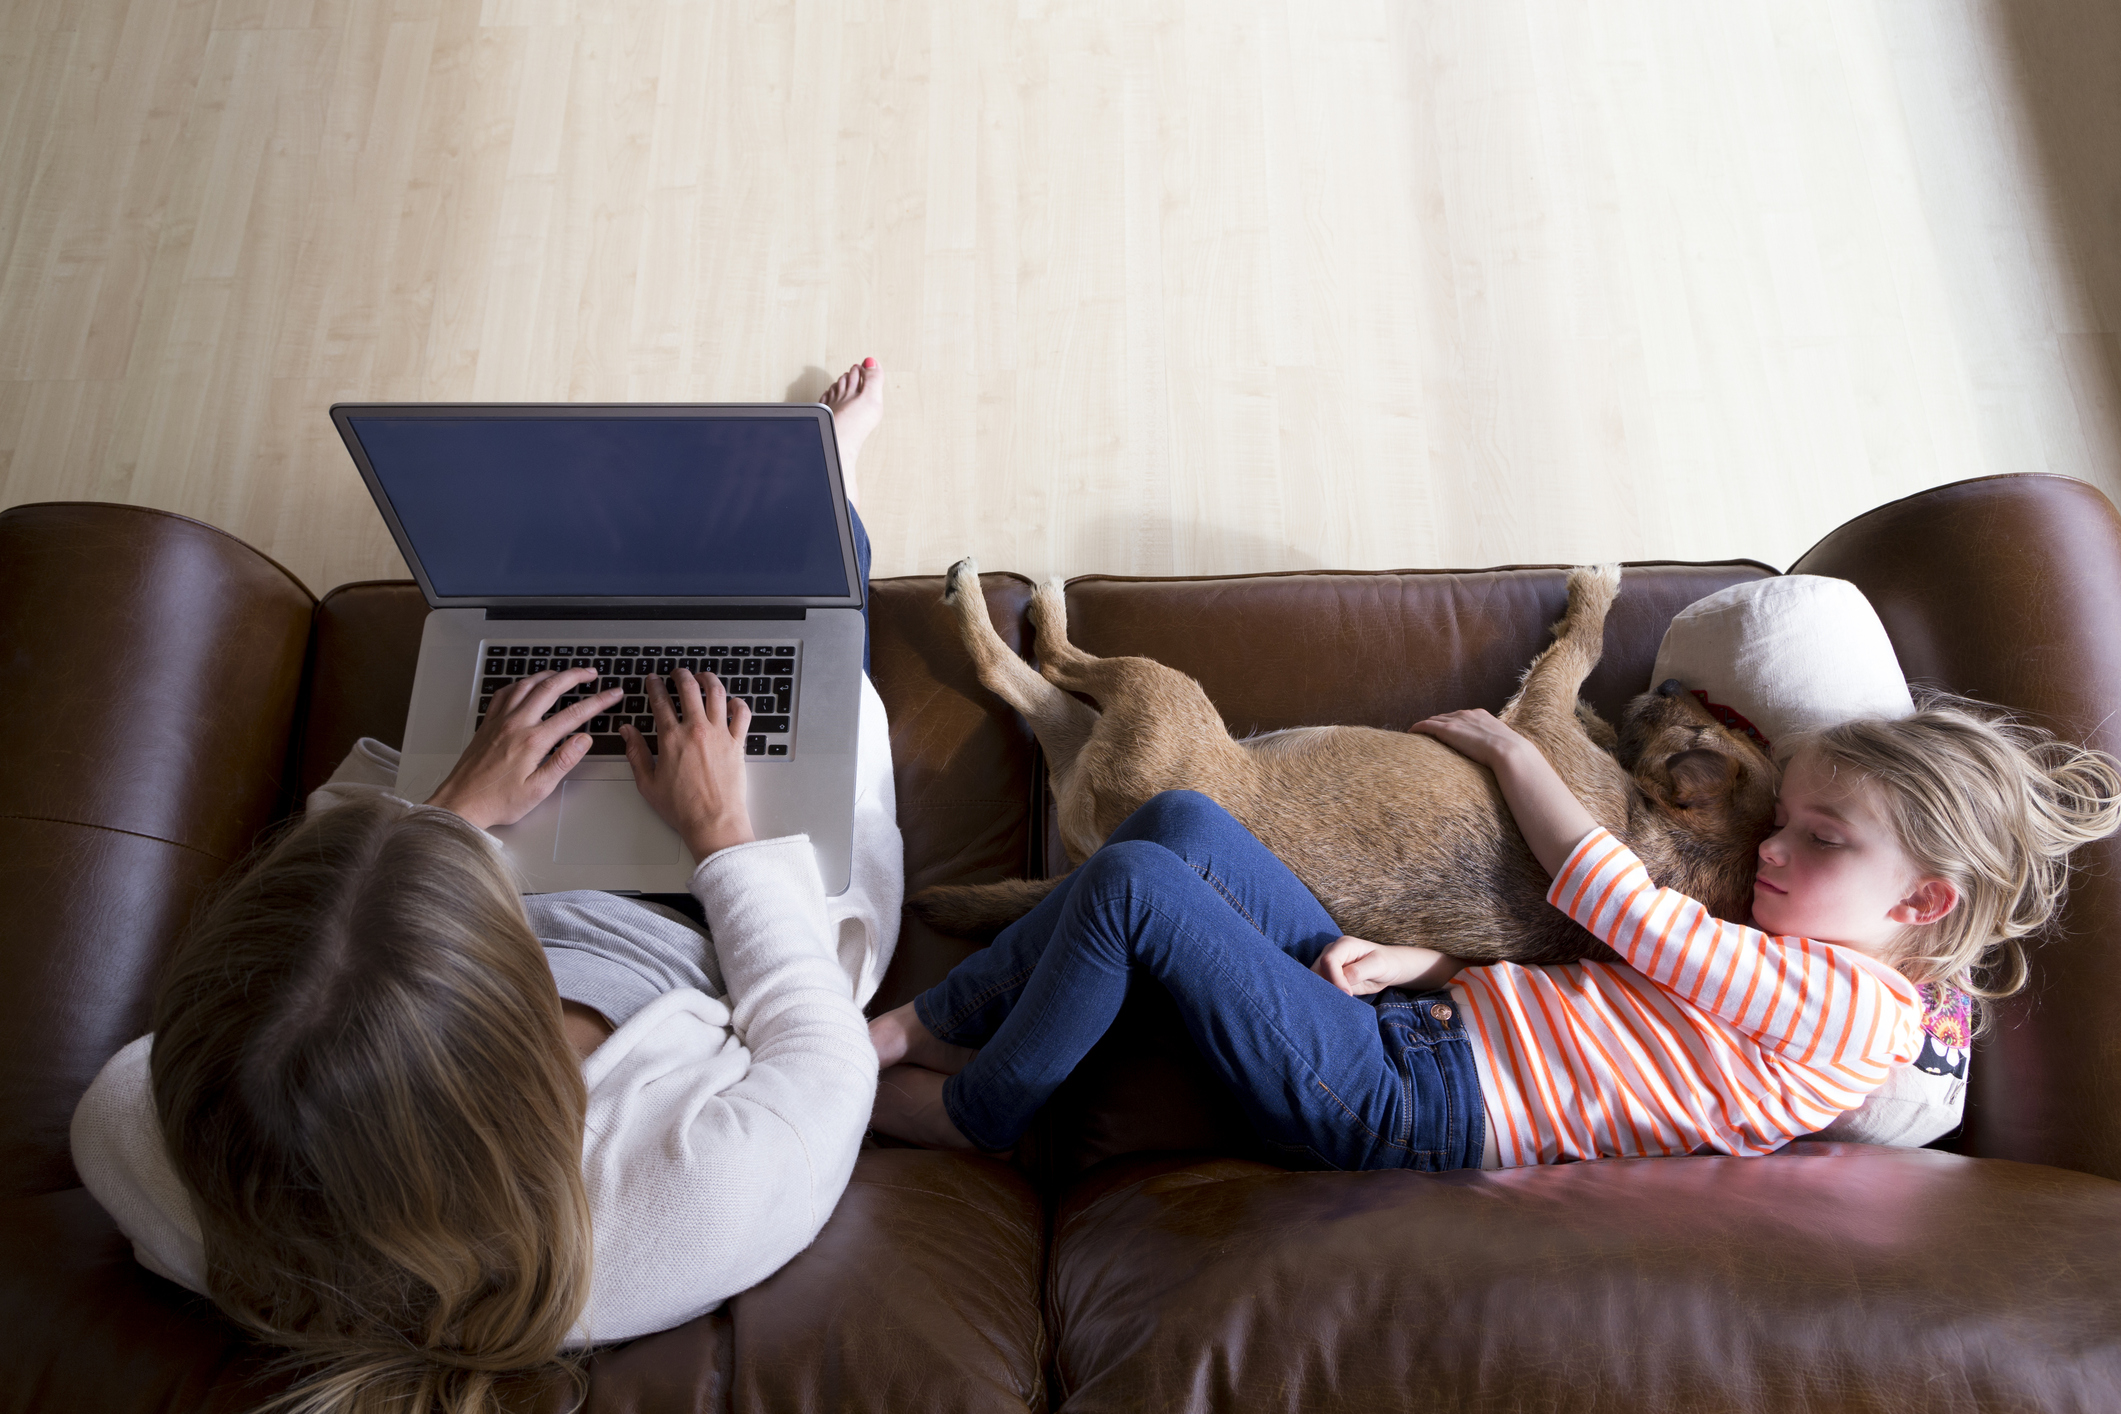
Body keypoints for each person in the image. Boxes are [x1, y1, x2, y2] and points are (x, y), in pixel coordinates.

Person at [69, 360, 897, 1414]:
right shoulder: (675, 1207)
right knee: (801, 634)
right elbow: (824, 1050)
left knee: (533, 639)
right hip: (705, 923)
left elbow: (189, 1058)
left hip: (509, 863)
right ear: (506, 1066)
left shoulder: (148, 1145)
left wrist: (453, 812)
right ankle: (827, 485)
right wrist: (723, 834)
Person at [869, 692, 2121, 1172]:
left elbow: (1621, 909)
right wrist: (1443, 962)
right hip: (1420, 1022)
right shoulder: (1792, 966)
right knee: (1184, 824)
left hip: (1406, 1101)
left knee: (1137, 891)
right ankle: (920, 1026)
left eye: (1821, 840)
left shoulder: (1861, 1009)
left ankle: (974, 1103)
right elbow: (1604, 1004)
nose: (1770, 852)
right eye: (1781, 821)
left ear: (1924, 904)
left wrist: (1520, 752)